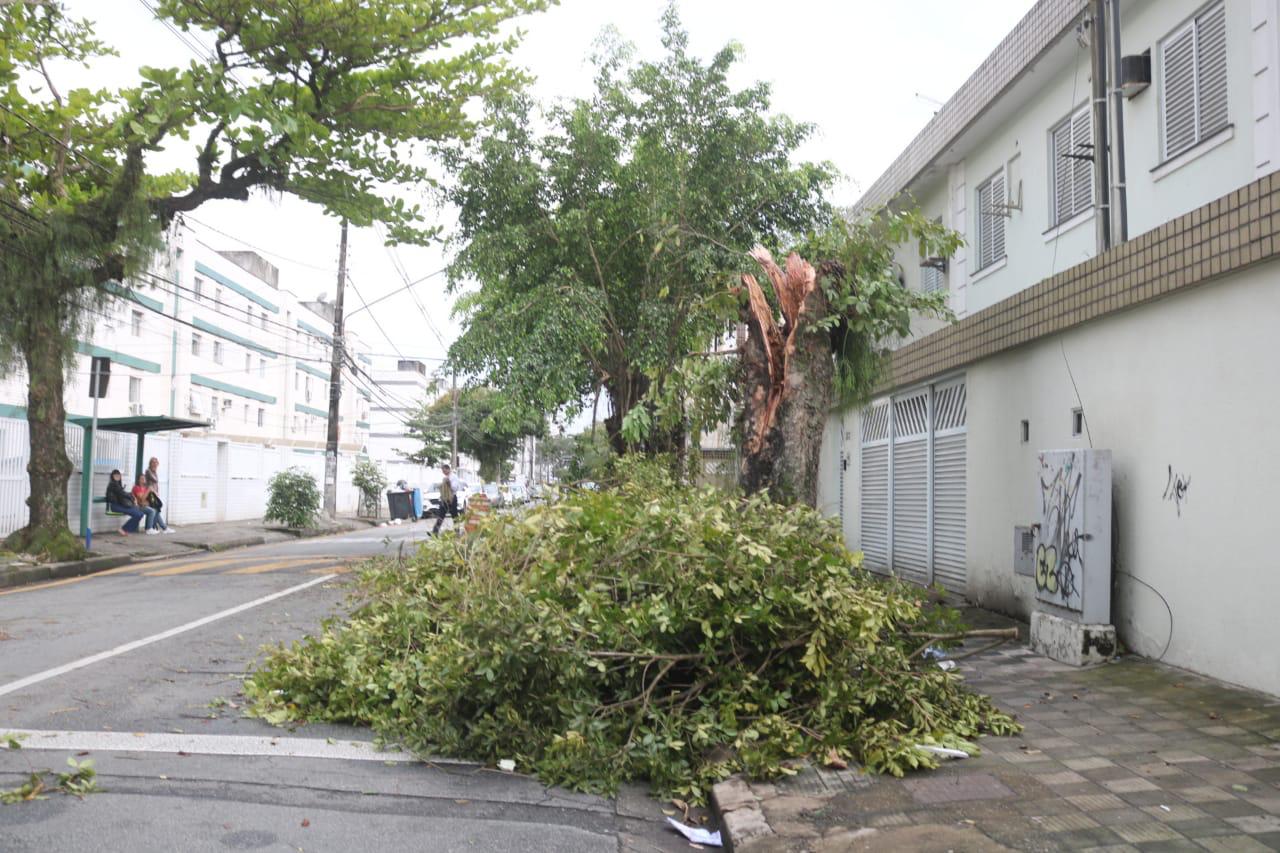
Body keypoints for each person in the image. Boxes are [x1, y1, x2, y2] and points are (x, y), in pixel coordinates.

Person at [105, 469, 150, 535]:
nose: (117, 476)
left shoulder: (118, 484)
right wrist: (132, 496)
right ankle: (124, 529)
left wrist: (131, 497)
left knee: (140, 514)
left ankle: (127, 530)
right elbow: (123, 493)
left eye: (118, 475)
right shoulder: (113, 484)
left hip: (121, 505)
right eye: (115, 475)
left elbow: (124, 494)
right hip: (116, 506)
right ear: (112, 476)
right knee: (138, 514)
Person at [143, 457, 174, 533]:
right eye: (153, 462)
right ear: (150, 463)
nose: (155, 464)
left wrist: (157, 492)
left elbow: (155, 484)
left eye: (156, 463)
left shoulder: (155, 472)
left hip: (154, 494)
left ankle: (151, 527)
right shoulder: (148, 472)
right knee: (156, 510)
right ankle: (162, 528)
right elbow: (151, 484)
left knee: (155, 511)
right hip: (150, 494)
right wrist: (155, 492)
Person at [431, 464, 464, 534]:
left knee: (454, 515)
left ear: (448, 469)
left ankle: (457, 531)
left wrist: (449, 484)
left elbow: (454, 488)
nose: (443, 472)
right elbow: (443, 487)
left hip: (452, 499)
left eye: (444, 470)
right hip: (445, 499)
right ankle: (435, 531)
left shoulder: (454, 477)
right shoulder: (446, 477)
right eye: (442, 471)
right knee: (441, 514)